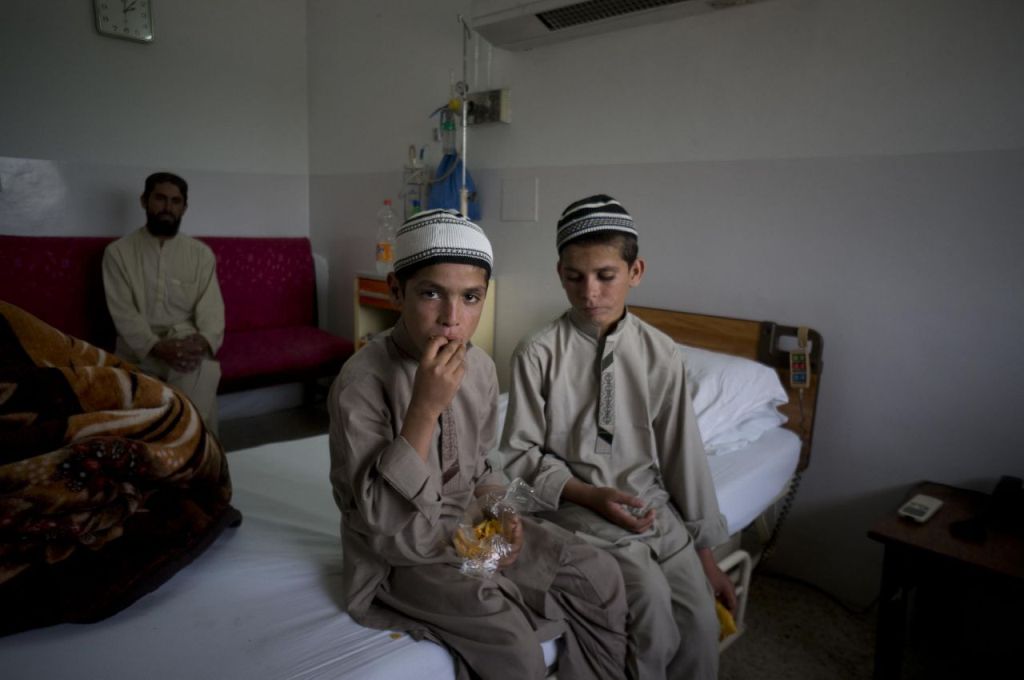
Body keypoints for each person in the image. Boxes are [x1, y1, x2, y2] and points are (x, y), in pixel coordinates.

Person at [328, 209, 628, 680]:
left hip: (469, 530)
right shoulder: (361, 383)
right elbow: (382, 523)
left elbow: (483, 469)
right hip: (402, 555)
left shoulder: (482, 369)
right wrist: (424, 409)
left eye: (470, 298)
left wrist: (501, 512)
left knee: (599, 575)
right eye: (431, 293)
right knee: (513, 643)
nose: (452, 319)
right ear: (396, 292)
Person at [498, 194, 738, 680]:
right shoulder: (537, 353)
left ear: (636, 271)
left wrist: (706, 558)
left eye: (605, 275)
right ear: (559, 273)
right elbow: (519, 456)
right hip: (575, 507)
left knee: (699, 621)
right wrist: (592, 495)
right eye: (574, 277)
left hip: (650, 504)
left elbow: (683, 455)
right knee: (650, 608)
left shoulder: (661, 353)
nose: (590, 292)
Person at [102, 172, 224, 434]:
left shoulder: (200, 254)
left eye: (175, 201)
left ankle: (196, 451)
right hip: (138, 350)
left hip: (185, 347)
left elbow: (212, 310)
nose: (168, 207)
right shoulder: (118, 253)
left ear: (184, 208)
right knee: (143, 424)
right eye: (160, 198)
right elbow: (123, 313)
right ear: (144, 201)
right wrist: (155, 346)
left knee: (198, 402)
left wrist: (201, 342)